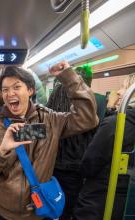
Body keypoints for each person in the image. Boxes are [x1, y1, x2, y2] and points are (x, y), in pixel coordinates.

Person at [0, 61, 98, 220]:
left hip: (38, 210)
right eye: (5, 89)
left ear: (30, 90)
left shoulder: (50, 120)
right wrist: (1, 151)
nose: (10, 94)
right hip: (1, 211)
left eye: (16, 87)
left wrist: (69, 77)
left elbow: (87, 118)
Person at [45, 65, 106, 220]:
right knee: (69, 206)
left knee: (52, 204)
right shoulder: (95, 101)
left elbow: (48, 122)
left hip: (53, 161)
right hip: (76, 164)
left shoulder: (56, 94)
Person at [73, 73, 135, 220]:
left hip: (100, 200)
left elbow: (90, 163)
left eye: (124, 87)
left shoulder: (116, 124)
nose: (119, 92)